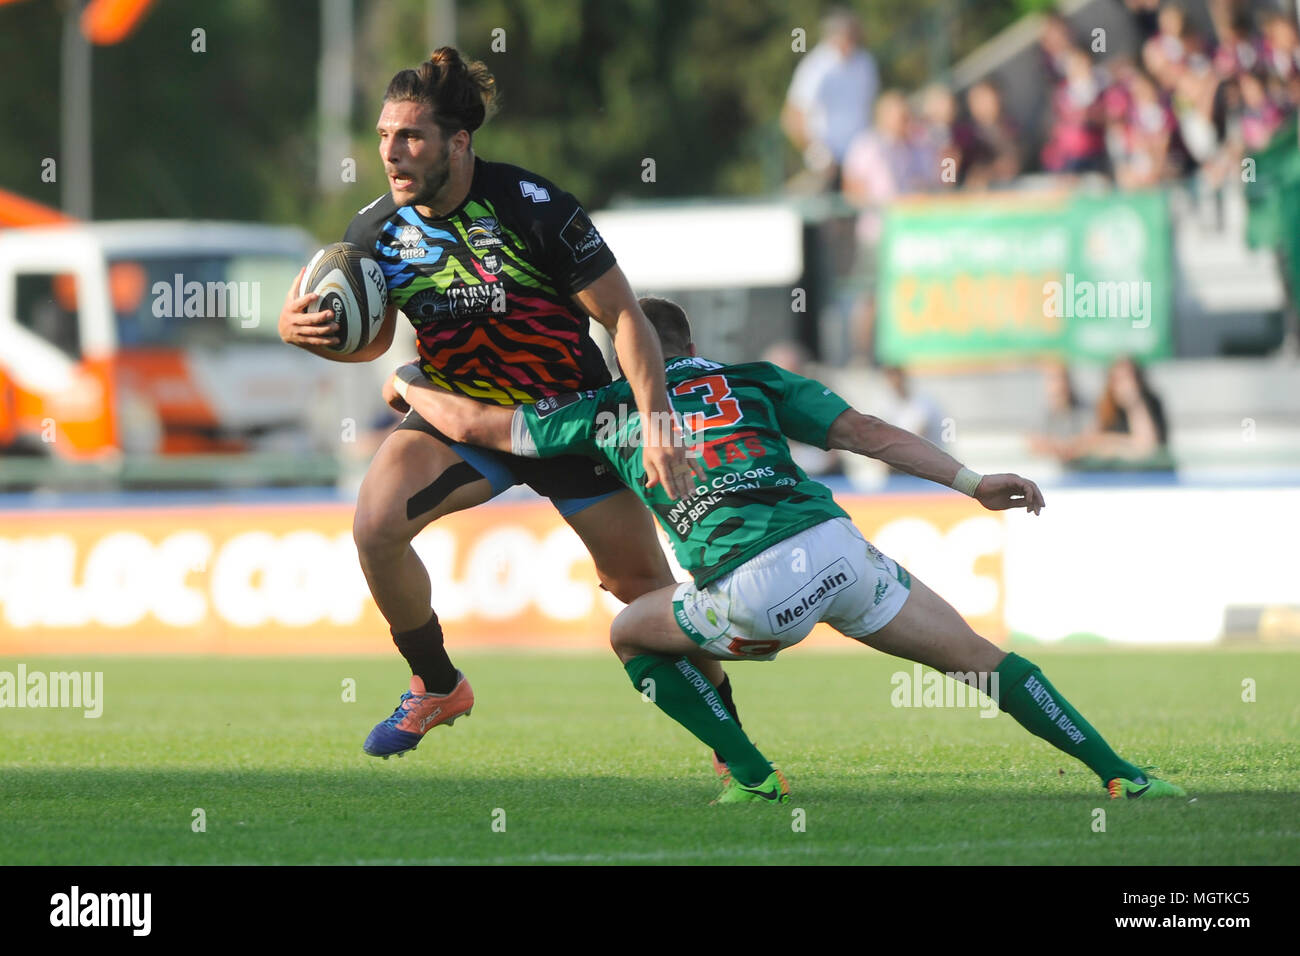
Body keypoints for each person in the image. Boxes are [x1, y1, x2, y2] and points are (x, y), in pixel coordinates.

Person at [383, 297, 1188, 804]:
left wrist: (409, 384)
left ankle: (751, 771)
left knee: (630, 630)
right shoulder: (755, 378)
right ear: (692, 341)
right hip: (837, 550)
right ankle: (1121, 772)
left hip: (750, 589)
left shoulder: (604, 407)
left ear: (627, 353)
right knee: (979, 658)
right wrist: (971, 481)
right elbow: (867, 434)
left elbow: (483, 428)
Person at [276, 48, 729, 761]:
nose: (391, 154)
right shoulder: (376, 231)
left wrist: (655, 419)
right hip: (462, 419)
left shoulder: (531, 206)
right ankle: (436, 682)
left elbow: (625, 317)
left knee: (640, 588)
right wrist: (297, 328)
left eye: (410, 138)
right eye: (383, 136)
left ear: (459, 143)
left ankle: (730, 743)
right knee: (374, 527)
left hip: (571, 417)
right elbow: (373, 340)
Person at [781, 7, 880, 191]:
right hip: (828, 163)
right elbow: (792, 116)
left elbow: (871, 106)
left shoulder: (865, 63)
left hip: (860, 158)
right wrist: (817, 154)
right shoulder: (816, 67)